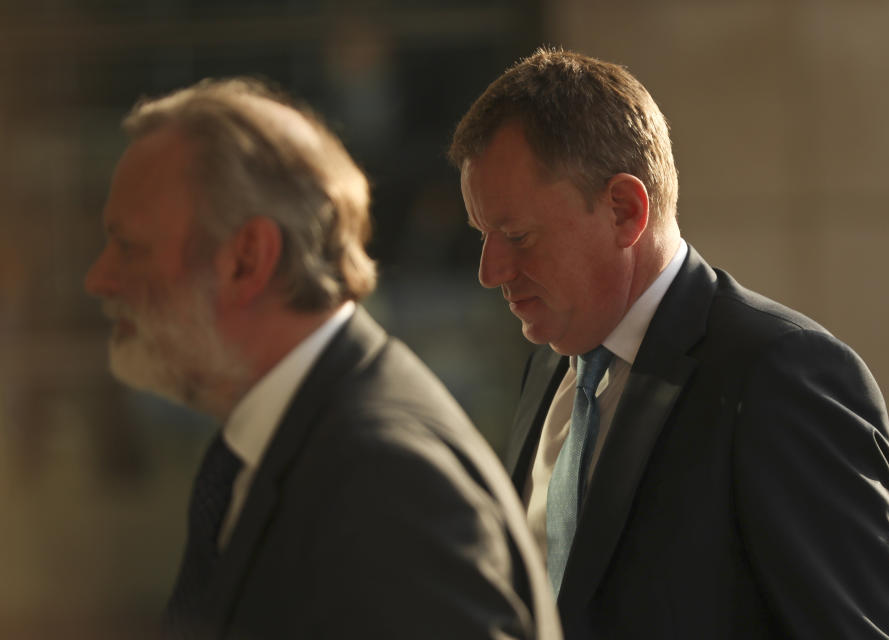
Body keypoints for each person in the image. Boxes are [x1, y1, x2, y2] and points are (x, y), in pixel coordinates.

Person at [449, 48, 889, 639]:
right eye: (483, 235)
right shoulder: (550, 364)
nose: (490, 271)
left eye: (516, 235)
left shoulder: (783, 376)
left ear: (625, 209)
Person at [84, 77, 561, 640]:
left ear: (246, 259)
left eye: (129, 245)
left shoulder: (386, 482)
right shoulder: (289, 444)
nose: (100, 279)